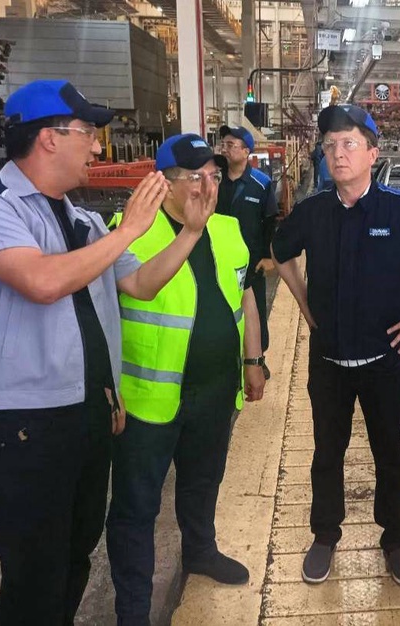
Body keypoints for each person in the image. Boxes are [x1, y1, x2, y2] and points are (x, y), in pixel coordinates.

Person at [0, 79, 210, 625]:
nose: (97, 146)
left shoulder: (82, 220)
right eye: (88, 132)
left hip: (86, 412)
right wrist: (131, 230)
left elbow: (141, 285)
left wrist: (189, 234)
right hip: (21, 421)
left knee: (74, 555)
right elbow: (41, 281)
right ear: (49, 138)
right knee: (33, 573)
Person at [272, 105, 400, 588]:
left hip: (385, 363)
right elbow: (279, 252)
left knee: (390, 453)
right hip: (329, 364)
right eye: (330, 146)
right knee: (327, 453)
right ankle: (325, 536)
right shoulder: (314, 212)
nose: (337, 154)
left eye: (349, 144)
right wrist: (304, 305)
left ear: (372, 153)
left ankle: (395, 540)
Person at [105, 134, 266, 626]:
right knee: (136, 506)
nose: (207, 186)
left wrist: (253, 359)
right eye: (196, 177)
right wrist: (190, 233)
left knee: (202, 483)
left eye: (212, 176)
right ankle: (133, 608)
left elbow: (246, 295)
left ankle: (200, 550)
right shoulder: (127, 231)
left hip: (215, 392)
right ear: (164, 183)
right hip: (149, 400)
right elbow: (130, 295)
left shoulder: (228, 228)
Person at [216, 124, 278, 379]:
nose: (225, 149)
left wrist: (269, 257)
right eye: (224, 144)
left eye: (231, 145)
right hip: (218, 259)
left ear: (246, 152)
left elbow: (271, 222)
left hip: (251, 262)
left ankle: (258, 358)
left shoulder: (261, 184)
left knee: (256, 311)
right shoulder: (215, 180)